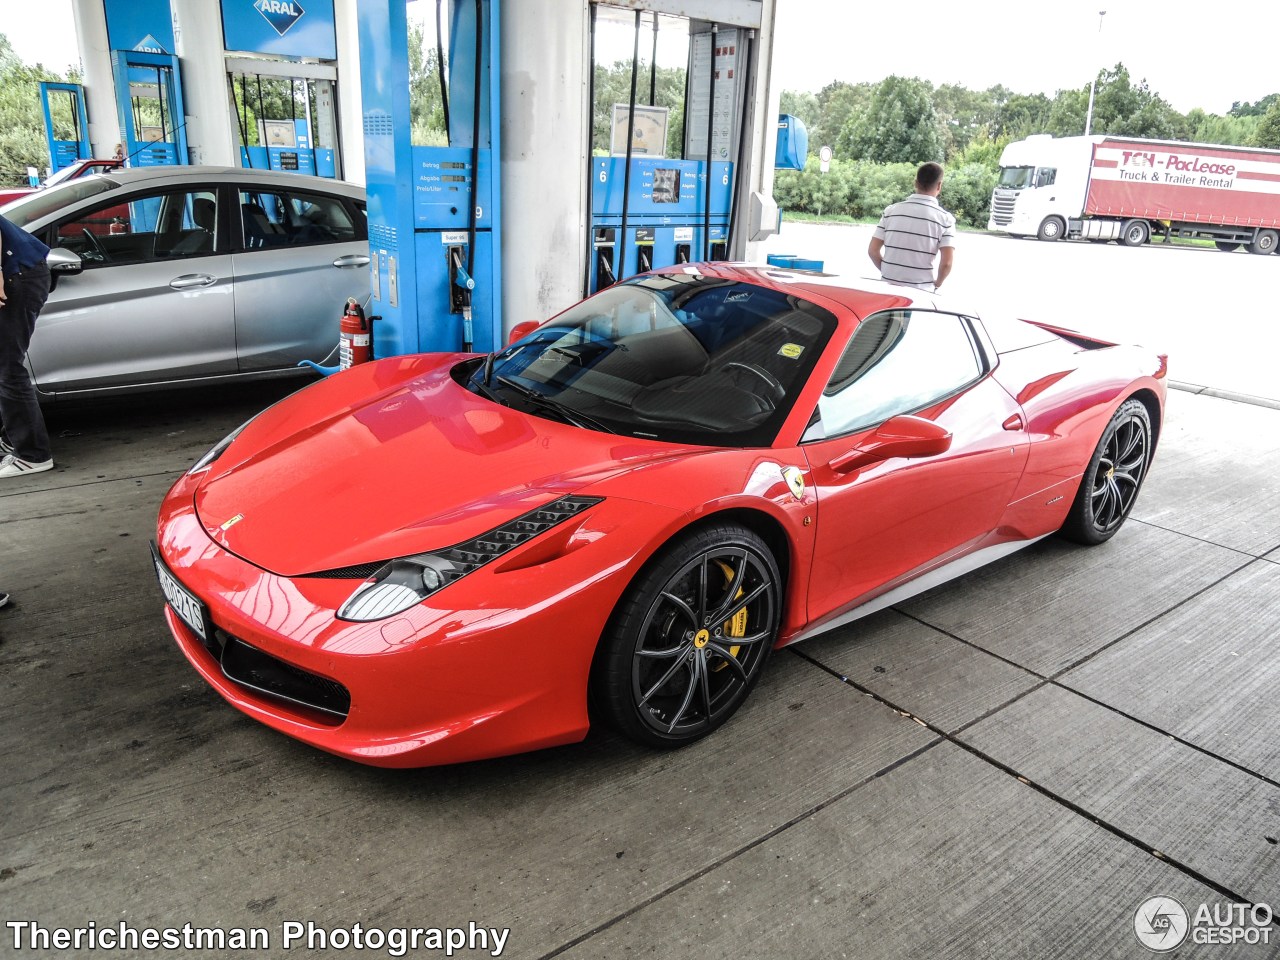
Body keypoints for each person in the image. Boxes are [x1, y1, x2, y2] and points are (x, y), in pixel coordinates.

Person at [0, 212, 53, 478]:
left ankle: (33, 455)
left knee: (6, 366)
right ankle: (13, 438)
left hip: (16, 275)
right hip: (16, 273)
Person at [867, 161, 956, 292]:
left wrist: (888, 272)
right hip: (921, 292)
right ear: (939, 186)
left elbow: (873, 251)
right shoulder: (945, 219)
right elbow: (946, 264)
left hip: (887, 290)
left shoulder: (891, 211)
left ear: (916, 183)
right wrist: (937, 283)